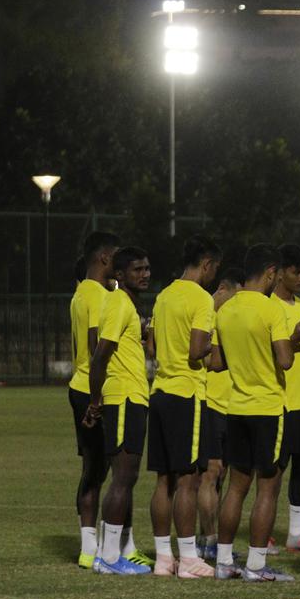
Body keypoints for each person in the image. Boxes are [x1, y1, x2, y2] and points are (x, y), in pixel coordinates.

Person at [210, 243, 300, 582]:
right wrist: (291, 340)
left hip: (236, 407)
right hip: (267, 408)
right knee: (268, 487)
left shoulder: (226, 310)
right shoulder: (271, 310)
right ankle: (256, 566)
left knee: (236, 487)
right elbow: (285, 360)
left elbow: (216, 363)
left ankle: (222, 561)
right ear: (269, 273)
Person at [147, 235, 221, 578]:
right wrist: (212, 347)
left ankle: (164, 558)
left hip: (160, 391)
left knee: (165, 480)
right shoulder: (201, 299)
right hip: (186, 394)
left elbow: (153, 346)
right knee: (190, 479)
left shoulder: (164, 296)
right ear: (206, 264)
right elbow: (195, 351)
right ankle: (189, 558)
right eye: (213, 269)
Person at [85, 246, 153, 575]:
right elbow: (100, 355)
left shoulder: (126, 304)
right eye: (137, 269)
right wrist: (95, 400)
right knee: (123, 478)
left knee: (125, 478)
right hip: (124, 397)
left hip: (132, 397)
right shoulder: (117, 303)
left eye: (147, 269)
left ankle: (110, 552)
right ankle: (109, 558)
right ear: (120, 275)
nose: (145, 274)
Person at [68, 231, 120, 569]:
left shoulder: (79, 293)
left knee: (93, 467)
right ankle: (108, 548)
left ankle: (90, 548)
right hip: (95, 388)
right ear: (104, 258)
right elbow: (93, 348)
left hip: (79, 385)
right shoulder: (99, 296)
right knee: (113, 470)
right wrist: (97, 399)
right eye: (118, 257)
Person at [270, 245, 300, 553]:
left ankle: (296, 533)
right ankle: (266, 533)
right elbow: (266, 353)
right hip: (279, 400)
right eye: (295, 272)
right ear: (278, 272)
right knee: (274, 471)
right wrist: (293, 340)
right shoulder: (268, 307)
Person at [197, 269, 243, 559]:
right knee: (209, 474)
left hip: (234, 404)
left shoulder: (233, 318)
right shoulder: (204, 315)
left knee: (223, 476)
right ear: (223, 289)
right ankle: (208, 540)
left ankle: (208, 538)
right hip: (211, 402)